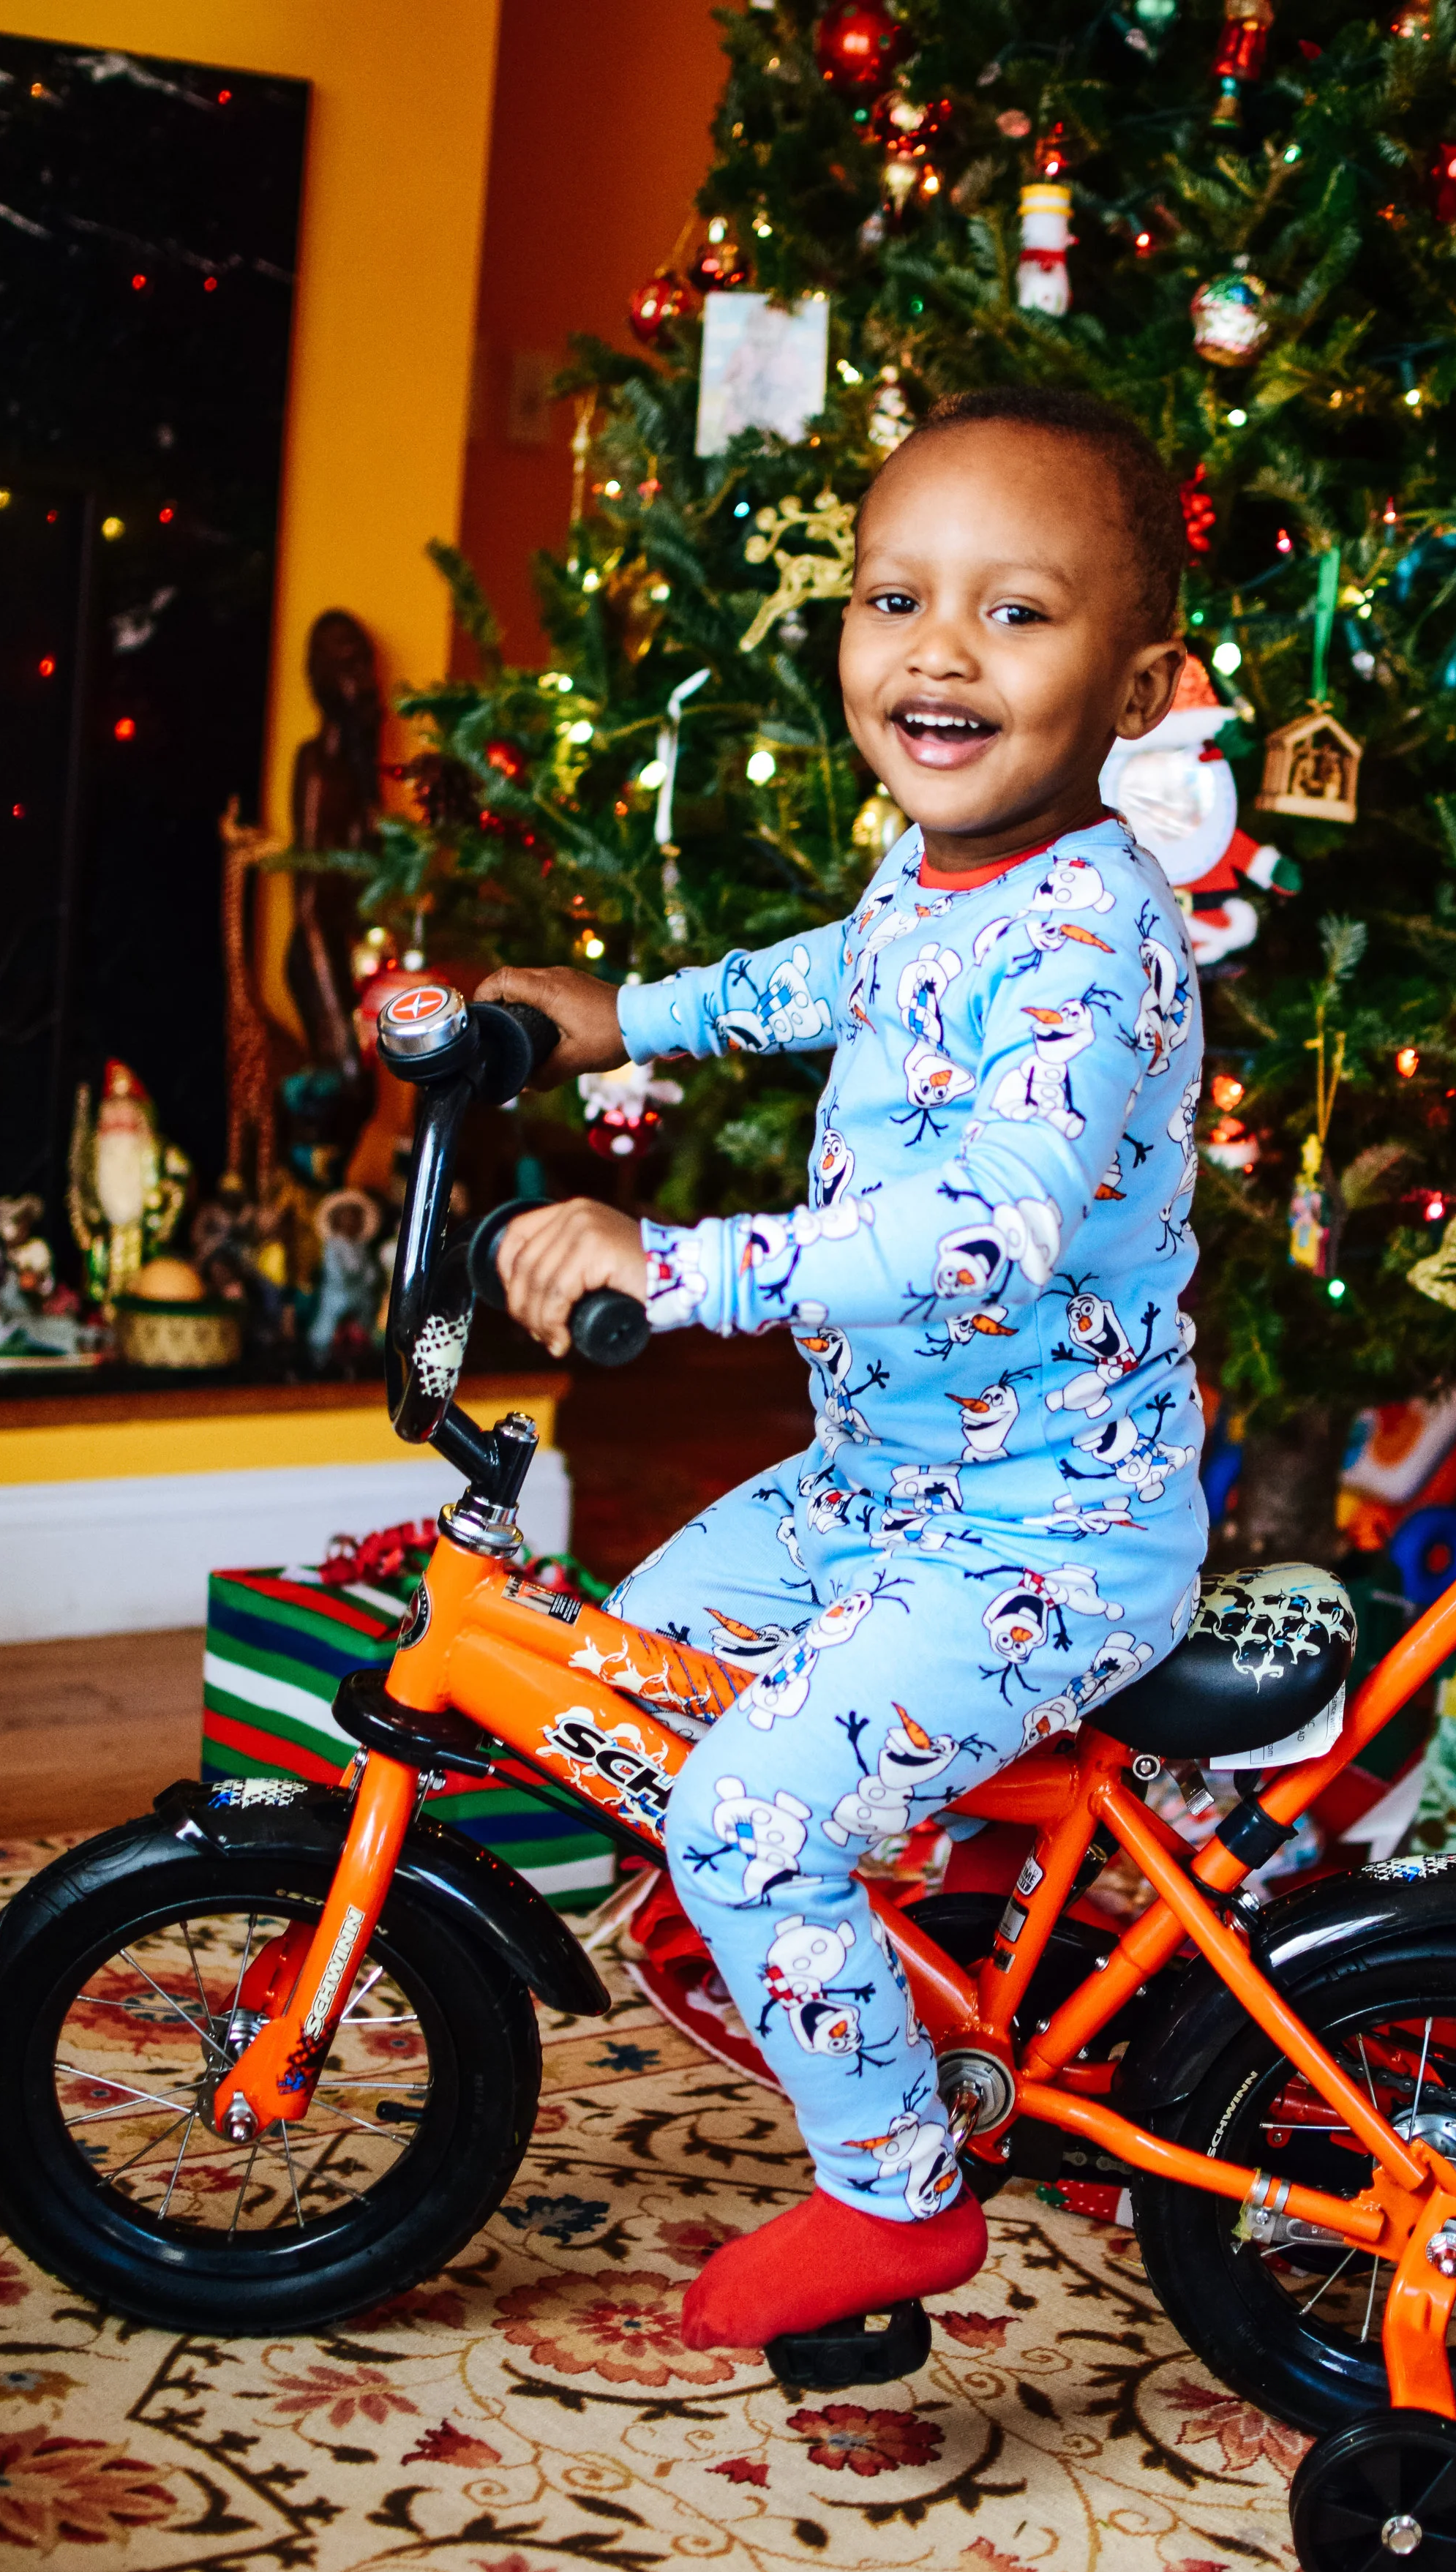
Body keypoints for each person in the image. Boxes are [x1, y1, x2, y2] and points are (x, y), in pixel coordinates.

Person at [476, 386, 1206, 2353]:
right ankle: (880, 1944)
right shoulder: (932, 879)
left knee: (736, 1813)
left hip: (1046, 1535)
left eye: (1016, 612)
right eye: (896, 595)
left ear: (1136, 687)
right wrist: (616, 1010)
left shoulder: (1084, 942)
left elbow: (987, 1223)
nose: (938, 648)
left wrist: (679, 1261)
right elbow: (825, 976)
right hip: (884, 1487)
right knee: (626, 1670)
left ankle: (890, 2192)